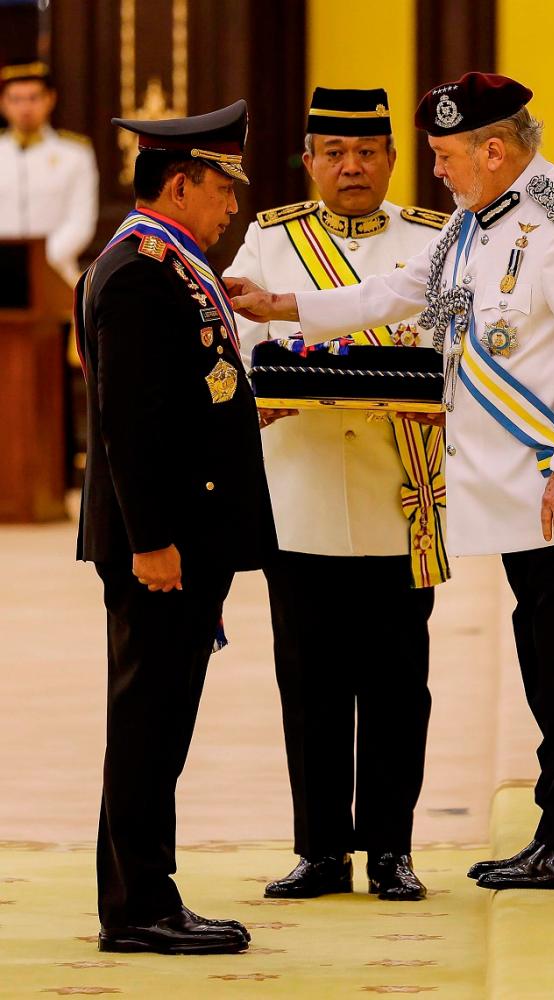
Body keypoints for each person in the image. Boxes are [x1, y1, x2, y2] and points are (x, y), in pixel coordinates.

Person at [228, 71, 554, 891]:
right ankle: (552, 832)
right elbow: (401, 290)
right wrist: (281, 305)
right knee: (544, 672)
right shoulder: (471, 221)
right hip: (519, 497)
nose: (437, 171)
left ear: (494, 150)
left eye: (446, 155)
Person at [225, 87, 450, 902]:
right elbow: (244, 332)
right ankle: (320, 850)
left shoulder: (434, 239)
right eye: (334, 154)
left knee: (398, 682)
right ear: (310, 161)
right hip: (303, 488)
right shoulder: (268, 237)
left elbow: (449, 339)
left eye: (367, 153)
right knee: (308, 679)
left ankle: (391, 848)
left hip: (401, 491)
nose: (351, 168)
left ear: (390, 159)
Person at [75, 101, 277, 954]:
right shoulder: (137, 273)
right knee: (149, 722)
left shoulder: (172, 266)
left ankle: (139, 894)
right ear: (184, 181)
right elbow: (127, 423)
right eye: (225, 186)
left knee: (159, 719)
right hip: (161, 545)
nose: (233, 205)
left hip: (185, 535)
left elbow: (183, 396)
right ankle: (138, 907)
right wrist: (154, 540)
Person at [0, 61, 98, 285]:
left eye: (33, 98)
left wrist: (39, 260)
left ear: (50, 99)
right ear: (3, 103)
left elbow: (80, 221)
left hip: (56, 272)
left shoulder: (75, 154)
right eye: (16, 99)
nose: (25, 108)